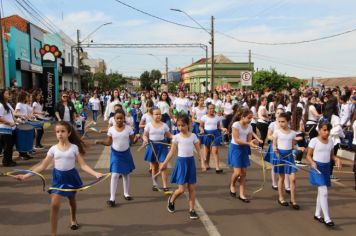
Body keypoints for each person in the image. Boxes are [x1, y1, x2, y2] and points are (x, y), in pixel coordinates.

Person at [16, 121, 104, 236]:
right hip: (58, 179)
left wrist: (95, 173)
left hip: (71, 177)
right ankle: (53, 234)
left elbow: (83, 165)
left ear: (69, 133)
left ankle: (73, 219)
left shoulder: (74, 148)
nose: (60, 134)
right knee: (54, 205)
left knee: (72, 201)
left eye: (62, 131)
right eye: (57, 132)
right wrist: (25, 176)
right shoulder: (53, 149)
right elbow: (42, 165)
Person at [161, 114, 201, 220]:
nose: (180, 128)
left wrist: (202, 161)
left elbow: (198, 150)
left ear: (188, 125)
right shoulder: (176, 137)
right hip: (181, 163)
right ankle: (172, 199)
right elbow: (171, 152)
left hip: (190, 162)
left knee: (192, 188)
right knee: (182, 189)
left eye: (183, 125)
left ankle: (192, 210)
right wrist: (164, 163)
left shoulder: (193, 136)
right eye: (178, 126)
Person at [96, 110, 138, 207]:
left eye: (121, 118)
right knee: (114, 175)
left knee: (126, 174)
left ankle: (126, 193)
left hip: (126, 153)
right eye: (117, 118)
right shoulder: (111, 129)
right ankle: (112, 198)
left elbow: (133, 141)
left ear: (124, 118)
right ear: (114, 119)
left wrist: (137, 138)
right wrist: (101, 142)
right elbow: (109, 142)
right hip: (115, 154)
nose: (119, 120)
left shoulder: (128, 129)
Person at [306, 122, 341, 227]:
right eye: (324, 130)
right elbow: (308, 155)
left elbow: (332, 156)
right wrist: (312, 163)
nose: (326, 132)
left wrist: (337, 159)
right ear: (319, 130)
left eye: (328, 130)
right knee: (324, 192)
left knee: (321, 192)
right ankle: (327, 218)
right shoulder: (314, 141)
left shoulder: (331, 141)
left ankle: (317, 214)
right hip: (317, 168)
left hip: (326, 168)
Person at [273, 113, 304, 209]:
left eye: (283, 121)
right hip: (280, 156)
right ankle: (281, 198)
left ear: (288, 121)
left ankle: (293, 200)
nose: (281, 123)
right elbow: (274, 145)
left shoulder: (293, 133)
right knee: (281, 178)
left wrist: (299, 148)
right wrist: (277, 153)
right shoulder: (277, 132)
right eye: (279, 121)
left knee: (293, 179)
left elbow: (293, 145)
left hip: (289, 157)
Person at [228, 108, 258, 203]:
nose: (250, 120)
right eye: (249, 118)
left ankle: (242, 194)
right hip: (236, 148)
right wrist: (249, 143)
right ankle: (232, 185)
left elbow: (249, 140)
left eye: (251, 118)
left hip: (244, 148)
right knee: (237, 173)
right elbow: (236, 139)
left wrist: (253, 143)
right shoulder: (236, 125)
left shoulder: (250, 127)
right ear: (242, 117)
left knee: (243, 173)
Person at [143, 107, 172, 192]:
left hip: (162, 147)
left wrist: (177, 138)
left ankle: (165, 186)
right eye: (156, 114)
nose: (158, 116)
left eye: (159, 114)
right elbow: (145, 135)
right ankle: (155, 184)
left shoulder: (164, 125)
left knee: (163, 166)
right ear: (152, 115)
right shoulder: (148, 125)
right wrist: (145, 139)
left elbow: (169, 135)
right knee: (154, 167)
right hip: (152, 146)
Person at [200, 104, 227, 173]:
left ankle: (217, 167)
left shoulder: (217, 117)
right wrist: (202, 130)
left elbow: (219, 126)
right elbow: (201, 126)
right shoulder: (204, 117)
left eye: (213, 108)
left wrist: (223, 128)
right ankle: (206, 164)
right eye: (210, 108)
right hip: (207, 134)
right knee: (207, 151)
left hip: (216, 134)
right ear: (207, 109)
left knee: (215, 151)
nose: (212, 110)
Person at [0, 89, 17, 166]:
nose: (8, 95)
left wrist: (17, 120)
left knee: (10, 146)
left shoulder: (8, 104)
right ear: (2, 95)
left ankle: (9, 160)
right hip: (4, 129)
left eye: (8, 93)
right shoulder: (1, 105)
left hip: (10, 129)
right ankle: (6, 162)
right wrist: (9, 123)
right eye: (6, 93)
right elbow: (0, 118)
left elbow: (13, 114)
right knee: (7, 146)